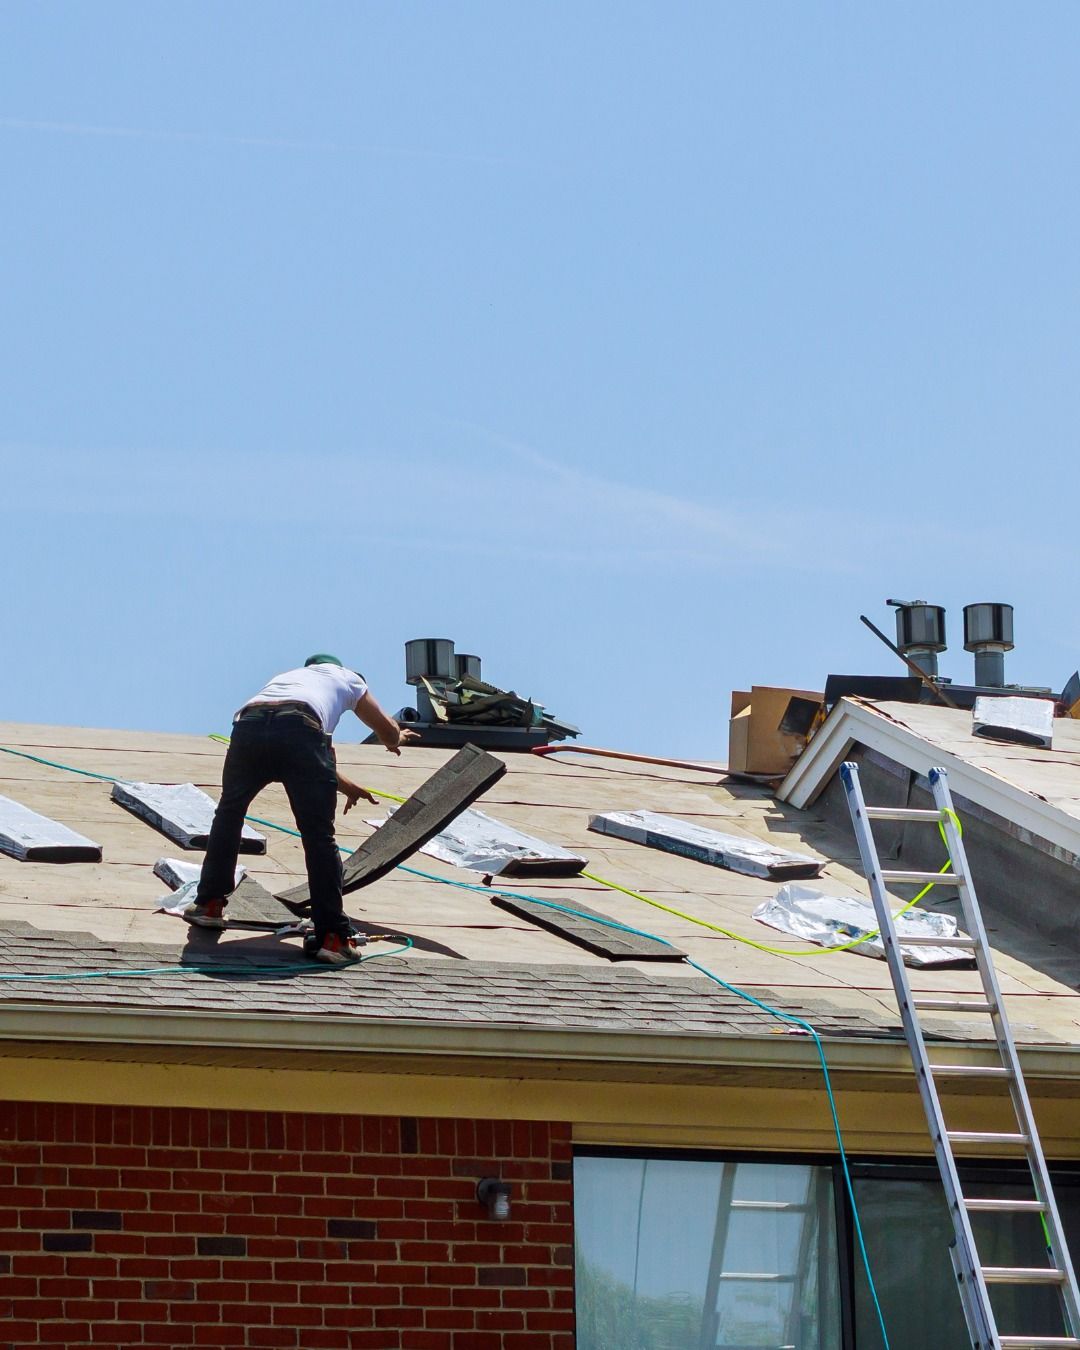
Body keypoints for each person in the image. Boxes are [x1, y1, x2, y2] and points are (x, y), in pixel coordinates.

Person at [187, 654, 418, 964]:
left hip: (250, 725)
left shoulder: (290, 680)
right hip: (300, 728)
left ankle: (210, 905)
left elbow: (315, 751)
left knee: (229, 814)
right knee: (318, 836)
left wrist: (346, 786)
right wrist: (396, 737)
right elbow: (379, 730)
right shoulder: (348, 678)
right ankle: (332, 937)